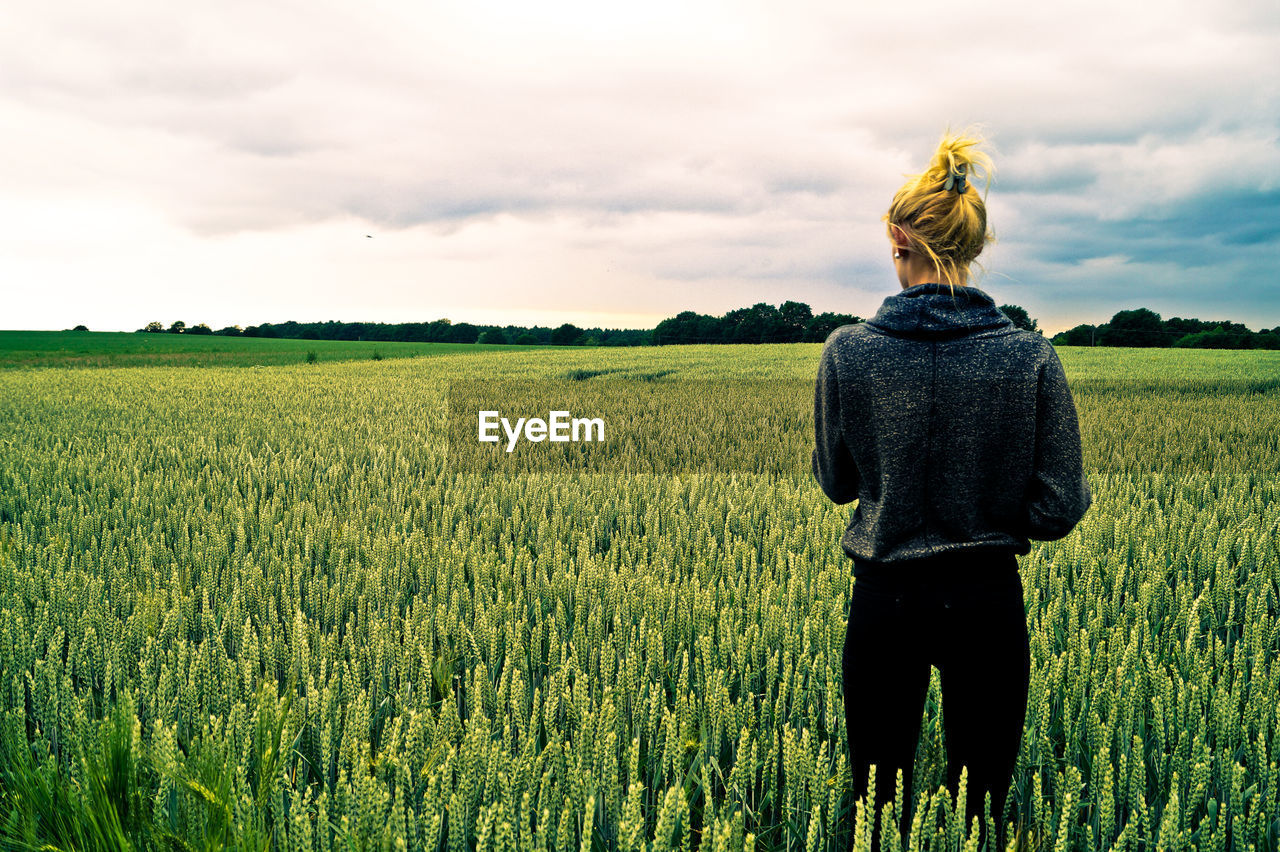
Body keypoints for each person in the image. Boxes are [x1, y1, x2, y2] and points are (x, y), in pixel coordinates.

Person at [811, 129, 1091, 852]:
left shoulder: (849, 352)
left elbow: (837, 483)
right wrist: (989, 508)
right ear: (972, 247)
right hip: (985, 600)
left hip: (884, 599)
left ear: (898, 237)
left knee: (876, 807)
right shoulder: (1030, 356)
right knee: (984, 810)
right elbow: (1059, 505)